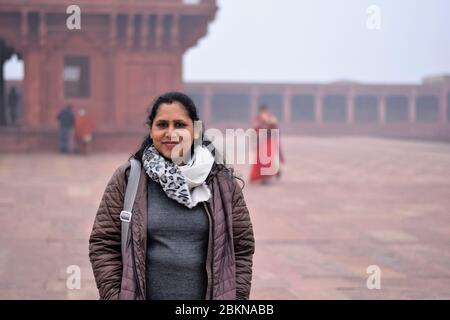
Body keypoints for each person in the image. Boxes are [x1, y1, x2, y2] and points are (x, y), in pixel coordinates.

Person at [89, 92, 255, 300]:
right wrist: (116, 296)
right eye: (162, 125)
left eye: (179, 124)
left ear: (195, 130)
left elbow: (241, 247)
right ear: (151, 130)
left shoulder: (221, 183)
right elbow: (103, 242)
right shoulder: (130, 178)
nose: (170, 133)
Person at [249, 105, 285, 185]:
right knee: (261, 161)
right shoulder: (257, 120)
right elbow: (255, 131)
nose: (265, 113)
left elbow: (275, 129)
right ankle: (264, 177)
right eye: (263, 111)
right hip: (261, 142)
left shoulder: (271, 119)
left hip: (269, 141)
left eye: (266, 111)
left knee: (268, 159)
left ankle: (268, 176)